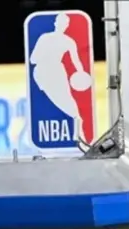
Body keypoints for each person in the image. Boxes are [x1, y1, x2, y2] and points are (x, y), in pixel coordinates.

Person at [29, 13, 89, 142]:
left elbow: (76, 61)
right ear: (56, 23)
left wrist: (82, 74)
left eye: (65, 23)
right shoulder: (47, 38)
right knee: (58, 100)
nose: (63, 25)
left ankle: (78, 129)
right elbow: (32, 59)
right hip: (44, 73)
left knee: (66, 99)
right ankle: (76, 125)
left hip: (56, 72)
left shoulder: (67, 41)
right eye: (62, 23)